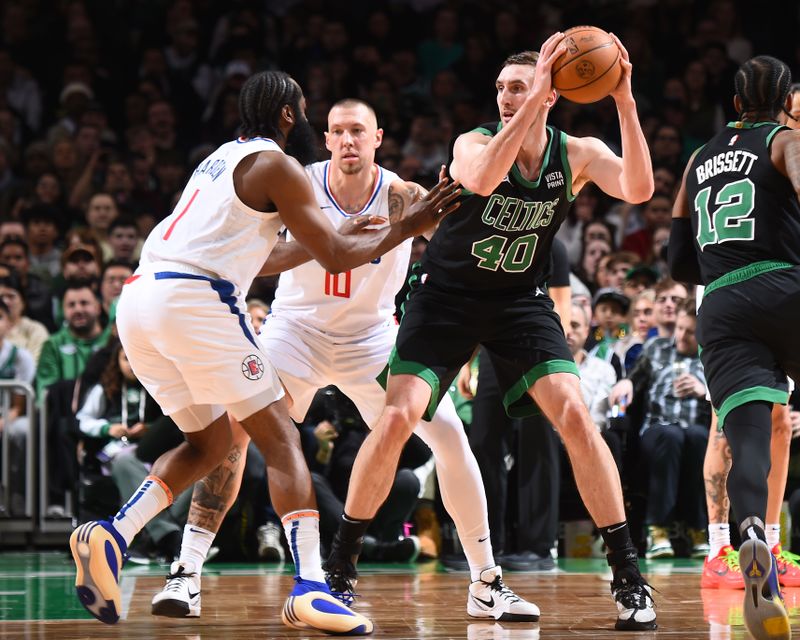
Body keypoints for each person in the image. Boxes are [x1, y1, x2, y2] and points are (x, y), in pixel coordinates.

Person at [69, 70, 457, 633]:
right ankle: (310, 588)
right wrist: (411, 225)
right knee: (281, 439)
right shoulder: (278, 164)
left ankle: (114, 534)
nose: (307, 120)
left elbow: (272, 256)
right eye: (304, 110)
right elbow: (334, 257)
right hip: (194, 301)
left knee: (209, 443)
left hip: (139, 299)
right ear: (286, 116)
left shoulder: (222, 158)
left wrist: (354, 233)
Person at [151, 98, 537, 623]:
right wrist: (325, 245)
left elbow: (464, 252)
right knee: (233, 435)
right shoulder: (295, 183)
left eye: (358, 130)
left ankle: (486, 581)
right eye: (337, 131)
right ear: (326, 139)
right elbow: (258, 258)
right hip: (295, 332)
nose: (347, 140)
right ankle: (186, 573)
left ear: (378, 138)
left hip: (372, 340)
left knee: (448, 435)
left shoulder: (404, 195)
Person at [325, 34, 657, 631]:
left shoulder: (575, 152)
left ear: (553, 94)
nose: (505, 97)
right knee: (398, 418)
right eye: (501, 88)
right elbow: (480, 179)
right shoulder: (472, 141)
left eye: (519, 88)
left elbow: (639, 189)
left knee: (577, 418)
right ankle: (340, 571)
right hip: (445, 299)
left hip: (518, 302)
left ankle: (629, 579)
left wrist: (624, 100)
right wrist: (531, 104)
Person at [668, 55, 800, 640]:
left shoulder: (698, 160)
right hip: (785, 284)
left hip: (720, 303)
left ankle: (749, 535)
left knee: (746, 436)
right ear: (782, 101)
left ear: (737, 104)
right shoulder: (784, 140)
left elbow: (677, 262)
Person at [608, 299, 711, 559]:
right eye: (680, 328)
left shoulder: (710, 357)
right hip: (658, 430)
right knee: (671, 435)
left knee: (698, 437)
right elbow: (634, 379)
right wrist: (626, 385)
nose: (682, 336)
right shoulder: (656, 348)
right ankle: (658, 529)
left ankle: (698, 529)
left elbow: (724, 398)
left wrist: (703, 392)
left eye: (690, 332)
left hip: (697, 428)